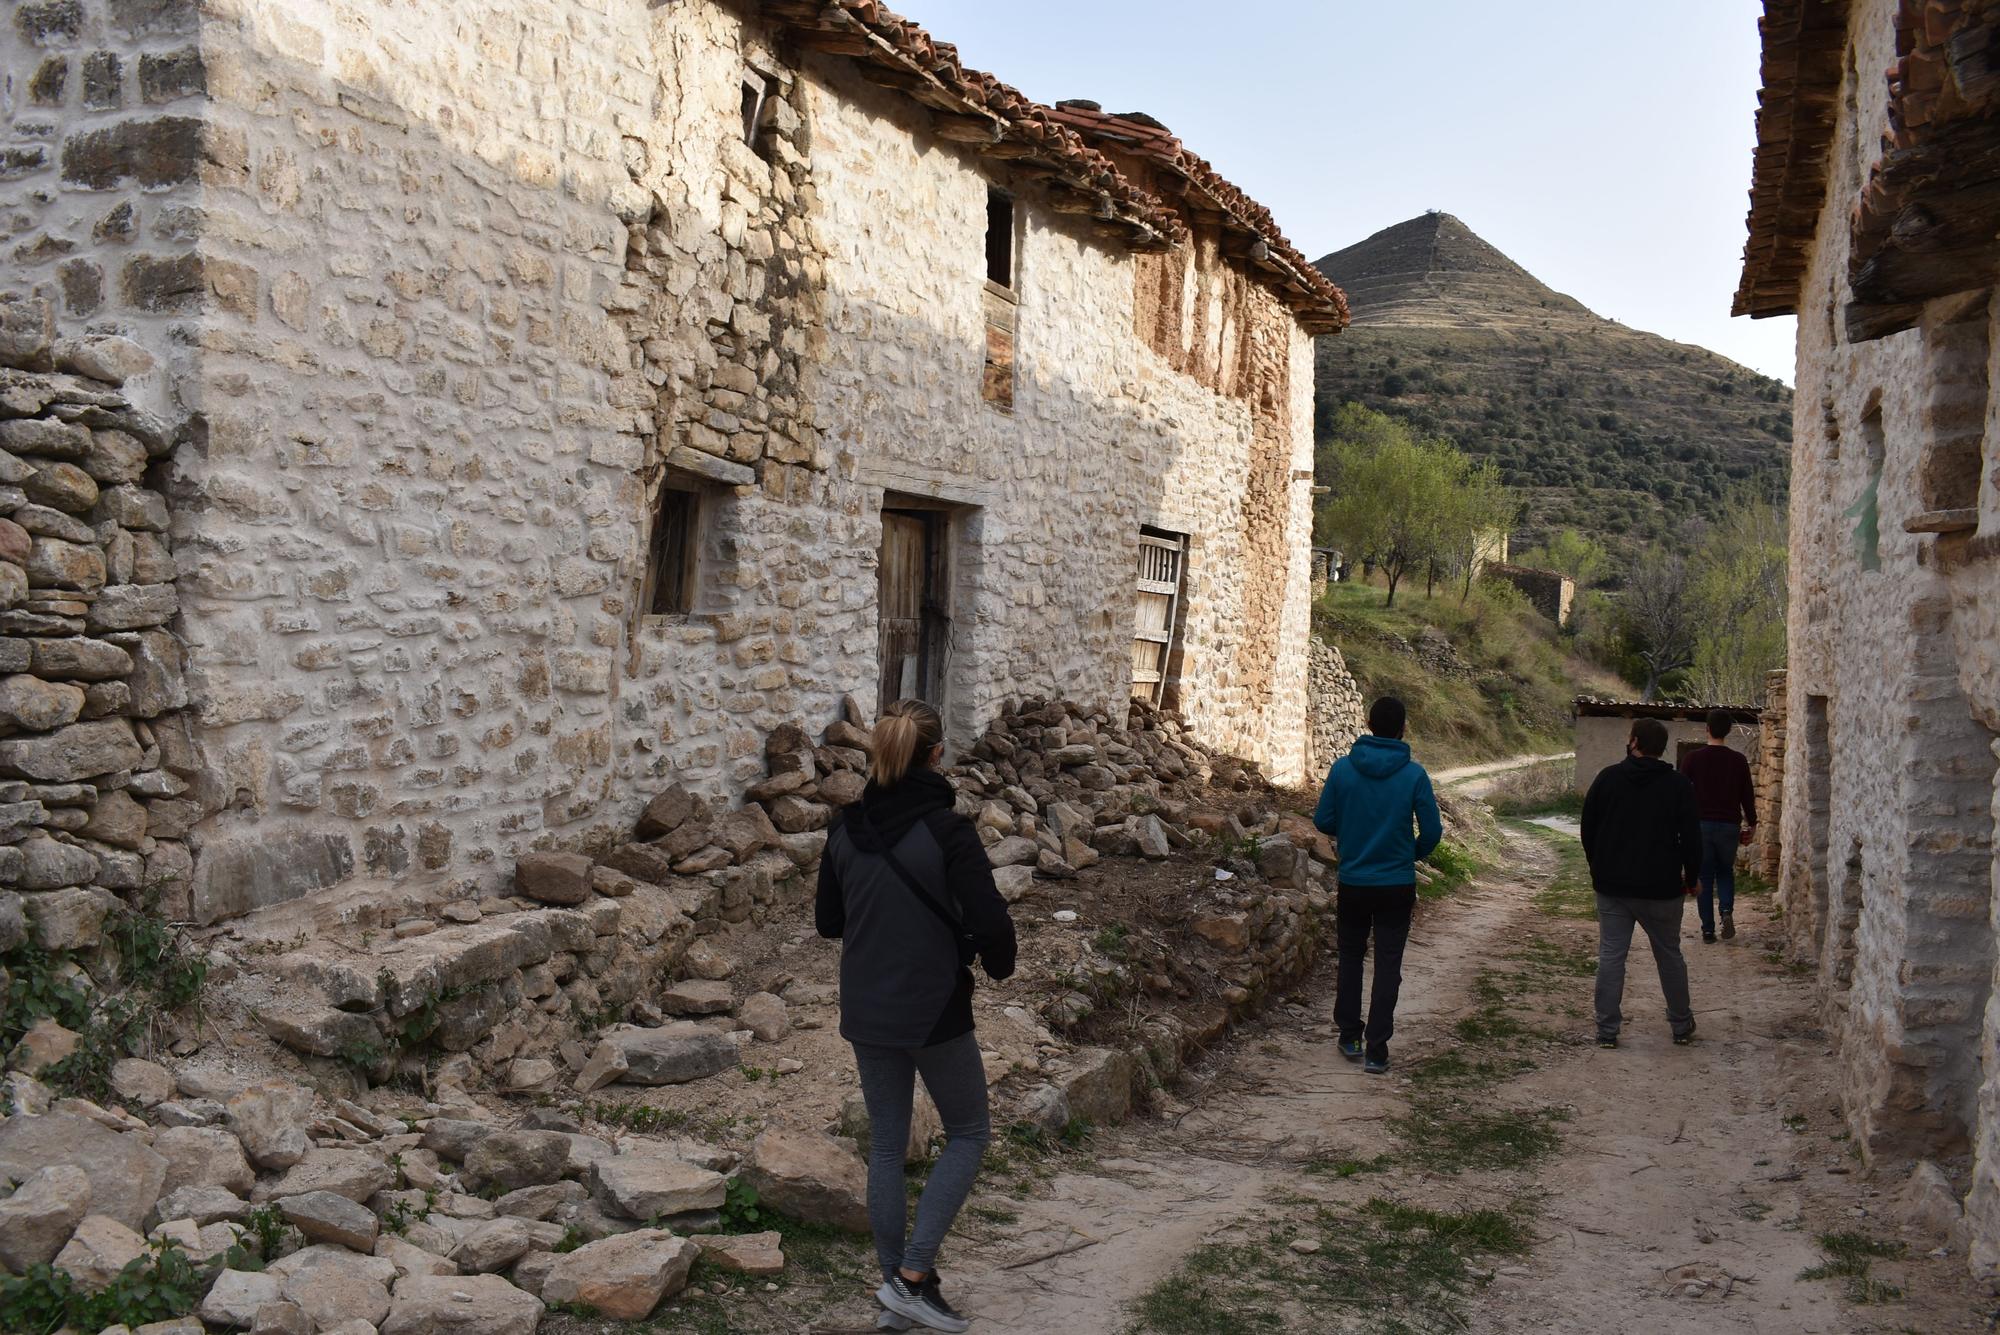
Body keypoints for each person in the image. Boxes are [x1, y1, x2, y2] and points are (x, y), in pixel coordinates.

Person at [816, 698, 1017, 1334]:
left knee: (885, 1144)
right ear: (936, 756)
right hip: (933, 1006)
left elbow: (828, 922)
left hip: (866, 1005)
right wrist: (993, 957)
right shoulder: (948, 830)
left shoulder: (843, 828)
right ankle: (912, 1277)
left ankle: (894, 1284)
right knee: (968, 1133)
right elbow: (992, 927)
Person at [1312, 697, 1442, 1074]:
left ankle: (1349, 1034)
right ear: (1404, 728)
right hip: (1396, 885)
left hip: (1353, 881)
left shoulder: (1342, 770)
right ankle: (1377, 1050)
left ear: (1368, 723)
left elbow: (1323, 820)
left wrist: (1353, 832)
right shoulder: (1414, 775)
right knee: (1388, 964)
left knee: (1351, 957)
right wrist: (1409, 853)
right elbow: (1432, 831)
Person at [1581, 717, 1702, 1048]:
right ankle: (1680, 1025)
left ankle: (1607, 1030)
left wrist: (1598, 867)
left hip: (1613, 887)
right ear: (1661, 748)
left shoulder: (1607, 779)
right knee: (1669, 954)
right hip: (1661, 887)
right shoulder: (1678, 785)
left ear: (1634, 741)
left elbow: (1587, 828)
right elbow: (1692, 838)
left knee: (1611, 955)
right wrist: (1692, 878)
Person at [1679, 709, 1757, 943]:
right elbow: (1747, 796)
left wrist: (1681, 824)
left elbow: (1681, 793)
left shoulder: (1692, 759)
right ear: (1729, 731)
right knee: (1725, 872)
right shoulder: (1738, 760)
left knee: (1703, 875)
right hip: (1729, 827)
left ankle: (1708, 930)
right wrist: (1752, 824)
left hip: (1701, 826)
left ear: (1707, 729)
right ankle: (1726, 911)